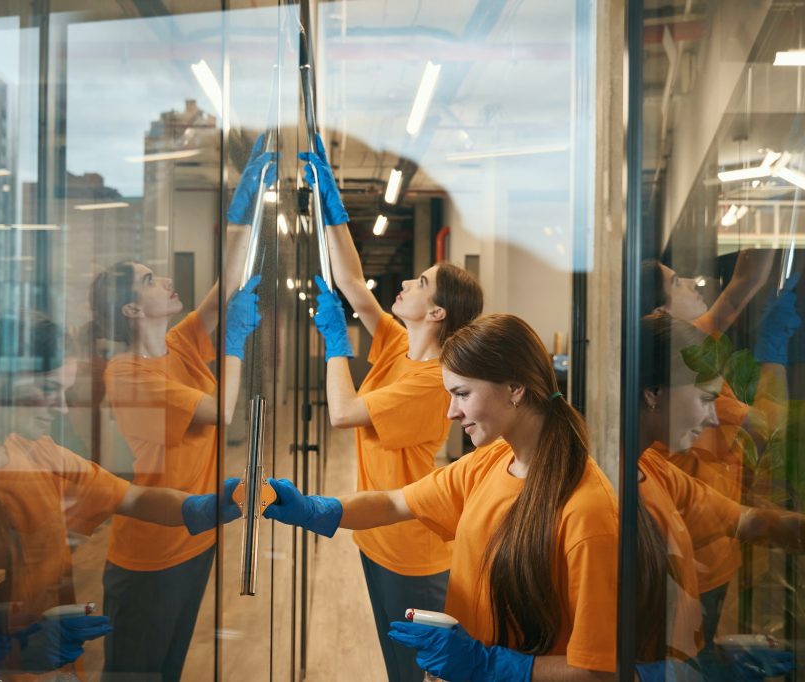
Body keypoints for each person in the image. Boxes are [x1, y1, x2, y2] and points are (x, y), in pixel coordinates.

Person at [0, 315, 241, 681]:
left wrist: (205, 507)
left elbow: (133, 498)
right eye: (47, 390)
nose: (60, 407)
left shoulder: (34, 451)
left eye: (63, 391)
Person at [264, 313, 620, 681]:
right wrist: (315, 509)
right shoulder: (491, 461)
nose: (451, 412)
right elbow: (395, 503)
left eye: (462, 394)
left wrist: (490, 666)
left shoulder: (587, 511)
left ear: (515, 388)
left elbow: (599, 671)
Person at [300, 135, 484, 682]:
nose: (406, 282)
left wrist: (335, 345)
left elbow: (342, 412)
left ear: (438, 312)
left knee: (416, 674)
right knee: (395, 668)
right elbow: (355, 285)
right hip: (377, 534)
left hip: (411, 548)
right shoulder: (397, 345)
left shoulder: (431, 380)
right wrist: (330, 208)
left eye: (420, 282)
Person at [91, 138, 269, 682]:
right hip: (150, 552)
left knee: (167, 671)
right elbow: (221, 410)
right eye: (150, 280)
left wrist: (246, 203)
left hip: (196, 536)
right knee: (136, 674)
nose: (166, 282)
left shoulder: (179, 345)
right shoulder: (127, 373)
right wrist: (235, 344)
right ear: (129, 308)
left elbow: (224, 291)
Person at [633, 312, 805, 679]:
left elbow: (747, 519)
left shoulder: (654, 472)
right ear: (652, 394)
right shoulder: (603, 490)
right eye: (705, 399)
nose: (714, 418)